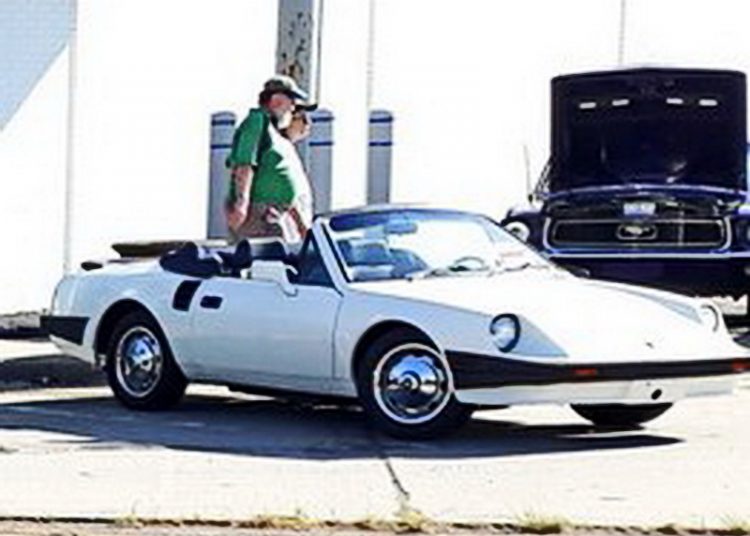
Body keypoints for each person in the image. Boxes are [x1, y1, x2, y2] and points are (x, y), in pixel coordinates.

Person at [225, 75, 314, 243]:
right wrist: (241, 204)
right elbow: (245, 164)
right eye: (291, 101)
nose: (293, 107)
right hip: (260, 214)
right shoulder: (257, 121)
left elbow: (283, 179)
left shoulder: (276, 134)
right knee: (264, 257)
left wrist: (300, 225)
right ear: (276, 100)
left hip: (277, 214)